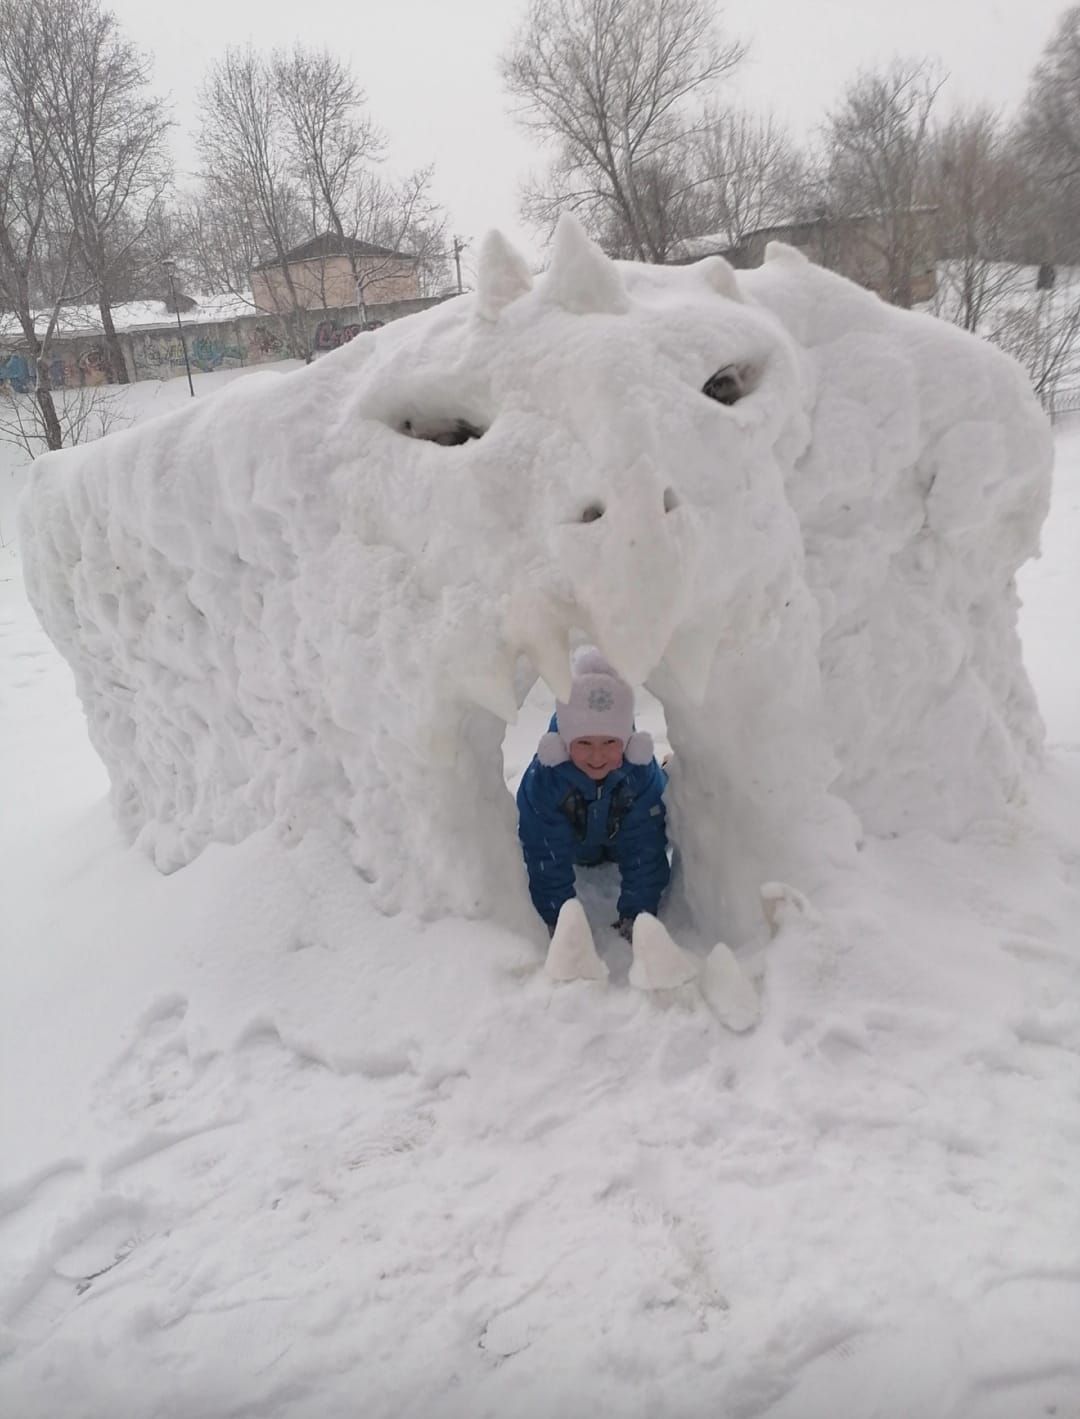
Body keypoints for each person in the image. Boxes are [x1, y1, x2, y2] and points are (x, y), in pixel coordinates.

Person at [517, 647, 671, 938]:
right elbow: (544, 853)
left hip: (617, 840)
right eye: (584, 743)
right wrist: (558, 917)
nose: (597, 756)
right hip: (576, 847)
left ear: (627, 741)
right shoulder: (546, 780)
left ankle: (673, 768)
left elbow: (646, 847)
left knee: (664, 795)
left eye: (610, 742)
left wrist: (638, 912)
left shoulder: (639, 774)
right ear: (563, 741)